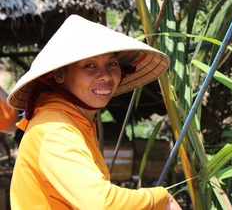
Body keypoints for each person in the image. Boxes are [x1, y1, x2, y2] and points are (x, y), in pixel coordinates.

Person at [7, 15, 181, 210]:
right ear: (59, 75)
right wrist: (158, 198)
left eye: (112, 64)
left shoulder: (74, 121)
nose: (106, 75)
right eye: (89, 65)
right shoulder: (55, 130)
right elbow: (100, 204)